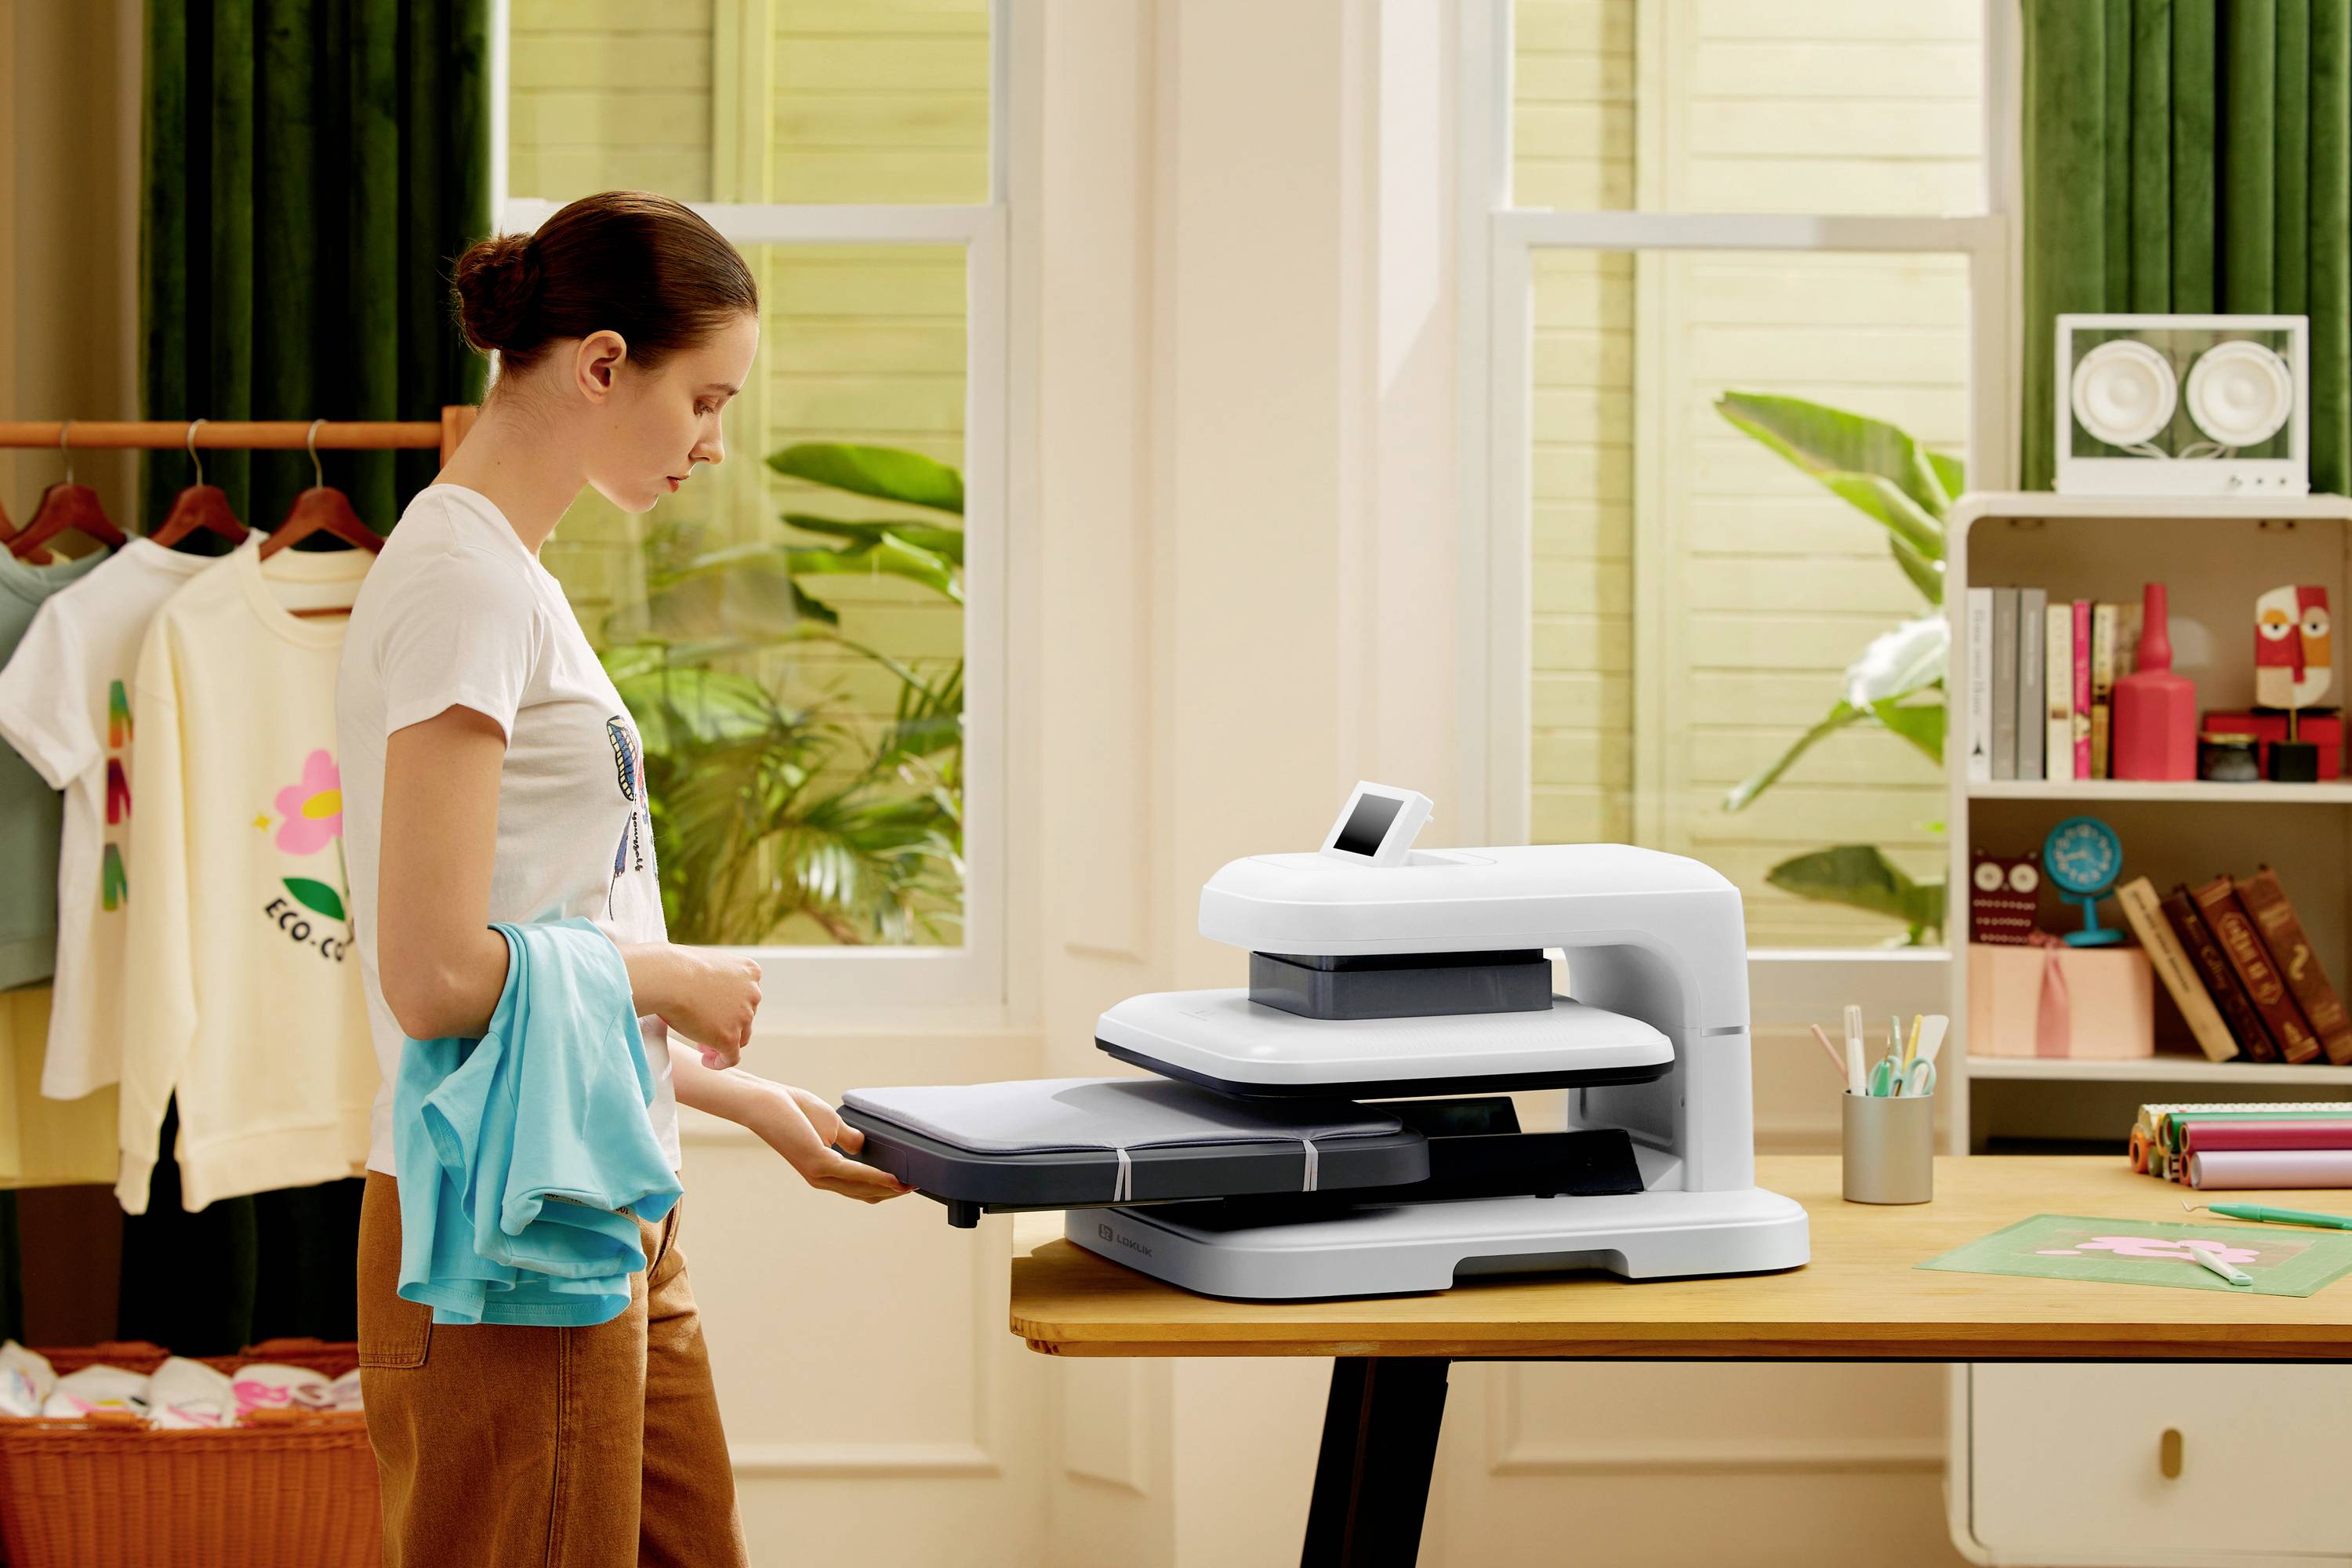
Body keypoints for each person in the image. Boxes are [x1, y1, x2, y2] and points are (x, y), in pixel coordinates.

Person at [336, 190, 910, 1567]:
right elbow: (435, 979)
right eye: (705, 401)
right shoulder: (464, 585)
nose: (715, 446)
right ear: (602, 365)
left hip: (602, 1195)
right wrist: (673, 976)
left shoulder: (511, 578)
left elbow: (539, 939)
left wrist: (735, 1095)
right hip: (501, 1225)